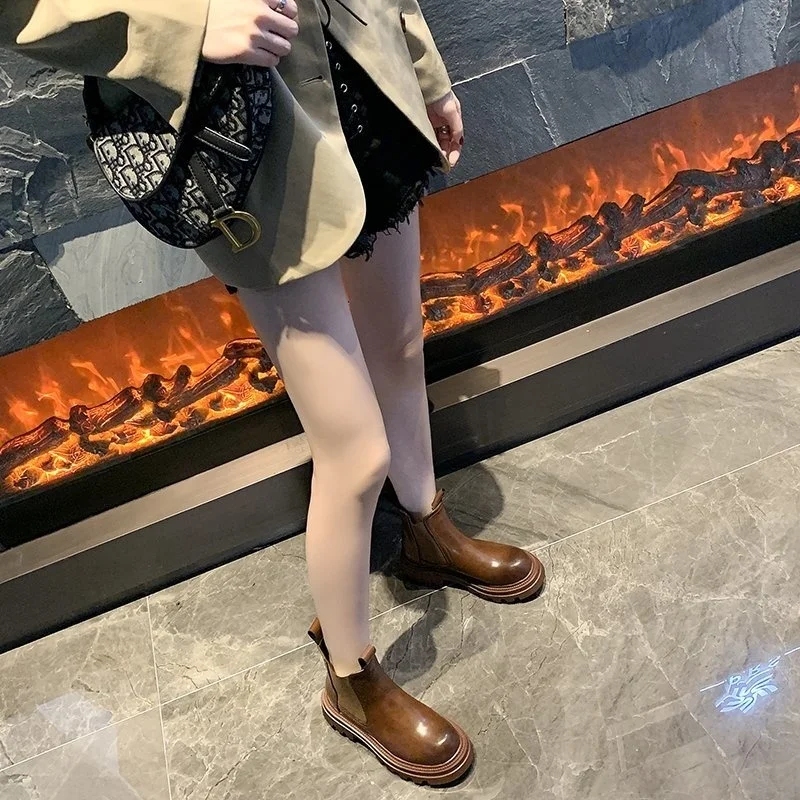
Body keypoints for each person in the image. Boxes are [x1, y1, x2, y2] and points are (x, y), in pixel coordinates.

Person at [0, 0, 545, 786]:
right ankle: (352, 679)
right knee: (353, 454)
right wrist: (186, 28)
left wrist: (426, 73)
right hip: (248, 138)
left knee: (399, 345)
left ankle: (426, 530)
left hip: (371, 81)